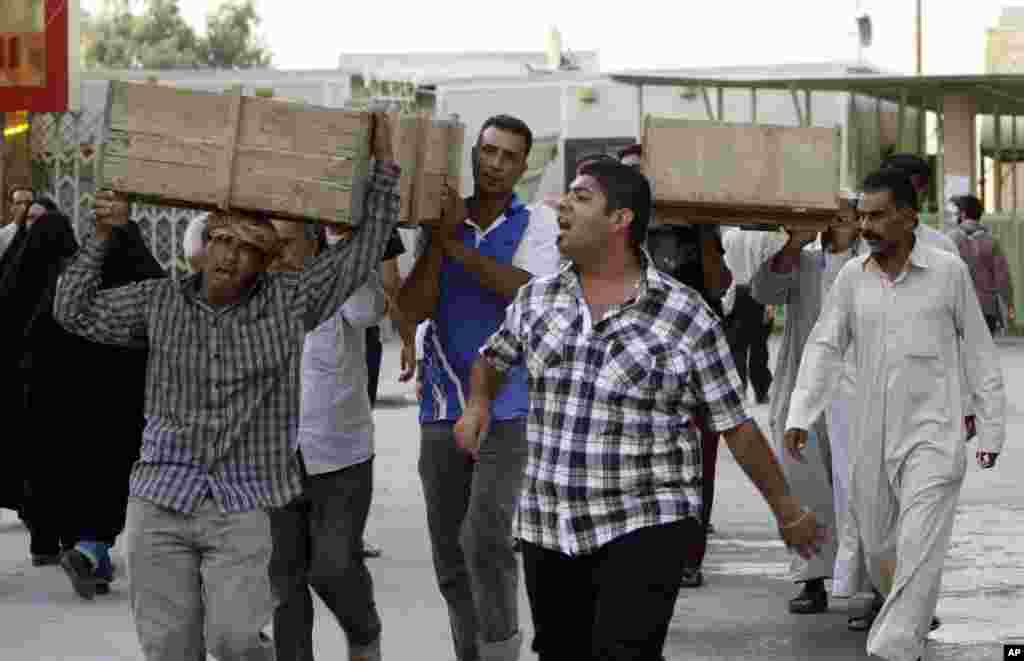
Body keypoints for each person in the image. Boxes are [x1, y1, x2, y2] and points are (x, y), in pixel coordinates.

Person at [53, 113, 401, 661]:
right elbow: (72, 311)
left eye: (244, 247)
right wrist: (101, 235)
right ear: (202, 245)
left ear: (266, 264)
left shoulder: (289, 304)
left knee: (235, 642)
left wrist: (382, 167)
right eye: (218, 239)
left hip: (243, 505)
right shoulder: (161, 301)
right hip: (161, 500)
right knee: (169, 649)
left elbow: (364, 249)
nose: (227, 255)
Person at [455, 160, 827, 660]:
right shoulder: (537, 299)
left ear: (620, 220)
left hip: (645, 520)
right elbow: (492, 360)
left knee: (625, 653)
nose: (563, 205)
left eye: (581, 197)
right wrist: (478, 404)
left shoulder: (684, 314)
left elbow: (735, 424)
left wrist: (788, 512)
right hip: (551, 524)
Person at [784, 169, 1005, 661]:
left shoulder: (947, 273)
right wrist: (801, 411)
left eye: (878, 215)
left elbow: (980, 351)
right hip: (871, 434)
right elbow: (823, 345)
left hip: (933, 433)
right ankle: (910, 612)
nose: (866, 225)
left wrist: (990, 424)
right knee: (882, 546)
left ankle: (894, 649)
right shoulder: (850, 280)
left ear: (908, 217)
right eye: (861, 215)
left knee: (919, 538)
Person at [398, 114, 560, 661]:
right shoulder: (439, 221)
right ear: (474, 154)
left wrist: (455, 246)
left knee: (486, 537)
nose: (494, 163)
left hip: (509, 404)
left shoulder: (536, 224)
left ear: (523, 166)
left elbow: (525, 294)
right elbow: (412, 309)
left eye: (508, 156)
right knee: (449, 554)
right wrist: (436, 243)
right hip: (442, 403)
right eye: (488, 151)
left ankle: (500, 652)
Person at [267, 220, 387, 661]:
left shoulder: (343, 282)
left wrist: (344, 244)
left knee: (334, 568)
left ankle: (364, 633)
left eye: (286, 244)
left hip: (341, 455)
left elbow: (370, 309)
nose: (277, 253)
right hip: (276, 457)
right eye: (271, 244)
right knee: (284, 581)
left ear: (313, 242)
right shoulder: (258, 290)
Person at [750, 198, 862, 614]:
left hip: (857, 390)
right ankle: (811, 578)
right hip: (804, 389)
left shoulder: (871, 264)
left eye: (849, 218)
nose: (842, 225)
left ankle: (870, 583)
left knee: (860, 487)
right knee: (804, 482)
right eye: (833, 218)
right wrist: (793, 245)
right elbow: (764, 292)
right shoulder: (805, 262)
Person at [722, 227, 782, 403]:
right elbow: (771, 267)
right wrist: (771, 301)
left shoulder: (729, 235)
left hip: (734, 291)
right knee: (759, 346)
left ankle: (738, 392)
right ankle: (761, 391)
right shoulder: (765, 235)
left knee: (736, 347)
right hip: (759, 291)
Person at [947, 194, 1015, 335]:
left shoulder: (949, 240)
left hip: (957, 307)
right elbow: (1002, 278)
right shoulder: (991, 241)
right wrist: (1009, 305)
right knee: (983, 355)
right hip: (986, 309)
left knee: (959, 354)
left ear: (963, 214)